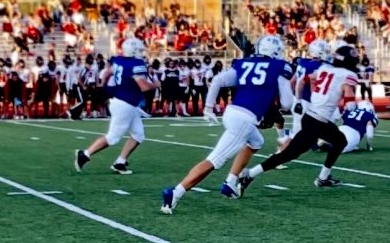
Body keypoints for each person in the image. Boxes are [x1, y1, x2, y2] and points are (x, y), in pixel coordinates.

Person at [160, 34, 294, 215]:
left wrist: (208, 107)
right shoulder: (279, 67)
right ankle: (176, 192)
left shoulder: (244, 63)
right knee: (215, 160)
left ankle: (231, 182)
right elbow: (286, 103)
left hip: (232, 112)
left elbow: (218, 80)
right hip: (244, 119)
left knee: (256, 142)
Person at [232, 42, 360, 196]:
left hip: (313, 117)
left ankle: (323, 178)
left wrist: (298, 100)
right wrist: (352, 105)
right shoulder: (347, 76)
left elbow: (303, 79)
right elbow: (350, 103)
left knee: (340, 140)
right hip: (317, 121)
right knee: (289, 154)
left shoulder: (325, 69)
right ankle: (249, 174)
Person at [75, 37, 158, 175]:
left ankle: (120, 162)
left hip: (124, 103)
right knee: (112, 137)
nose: (140, 52)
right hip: (125, 104)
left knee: (138, 135)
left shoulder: (119, 60)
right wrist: (155, 84)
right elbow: (144, 87)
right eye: (138, 50)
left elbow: (107, 72)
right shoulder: (136, 64)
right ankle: (85, 154)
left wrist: (104, 84)